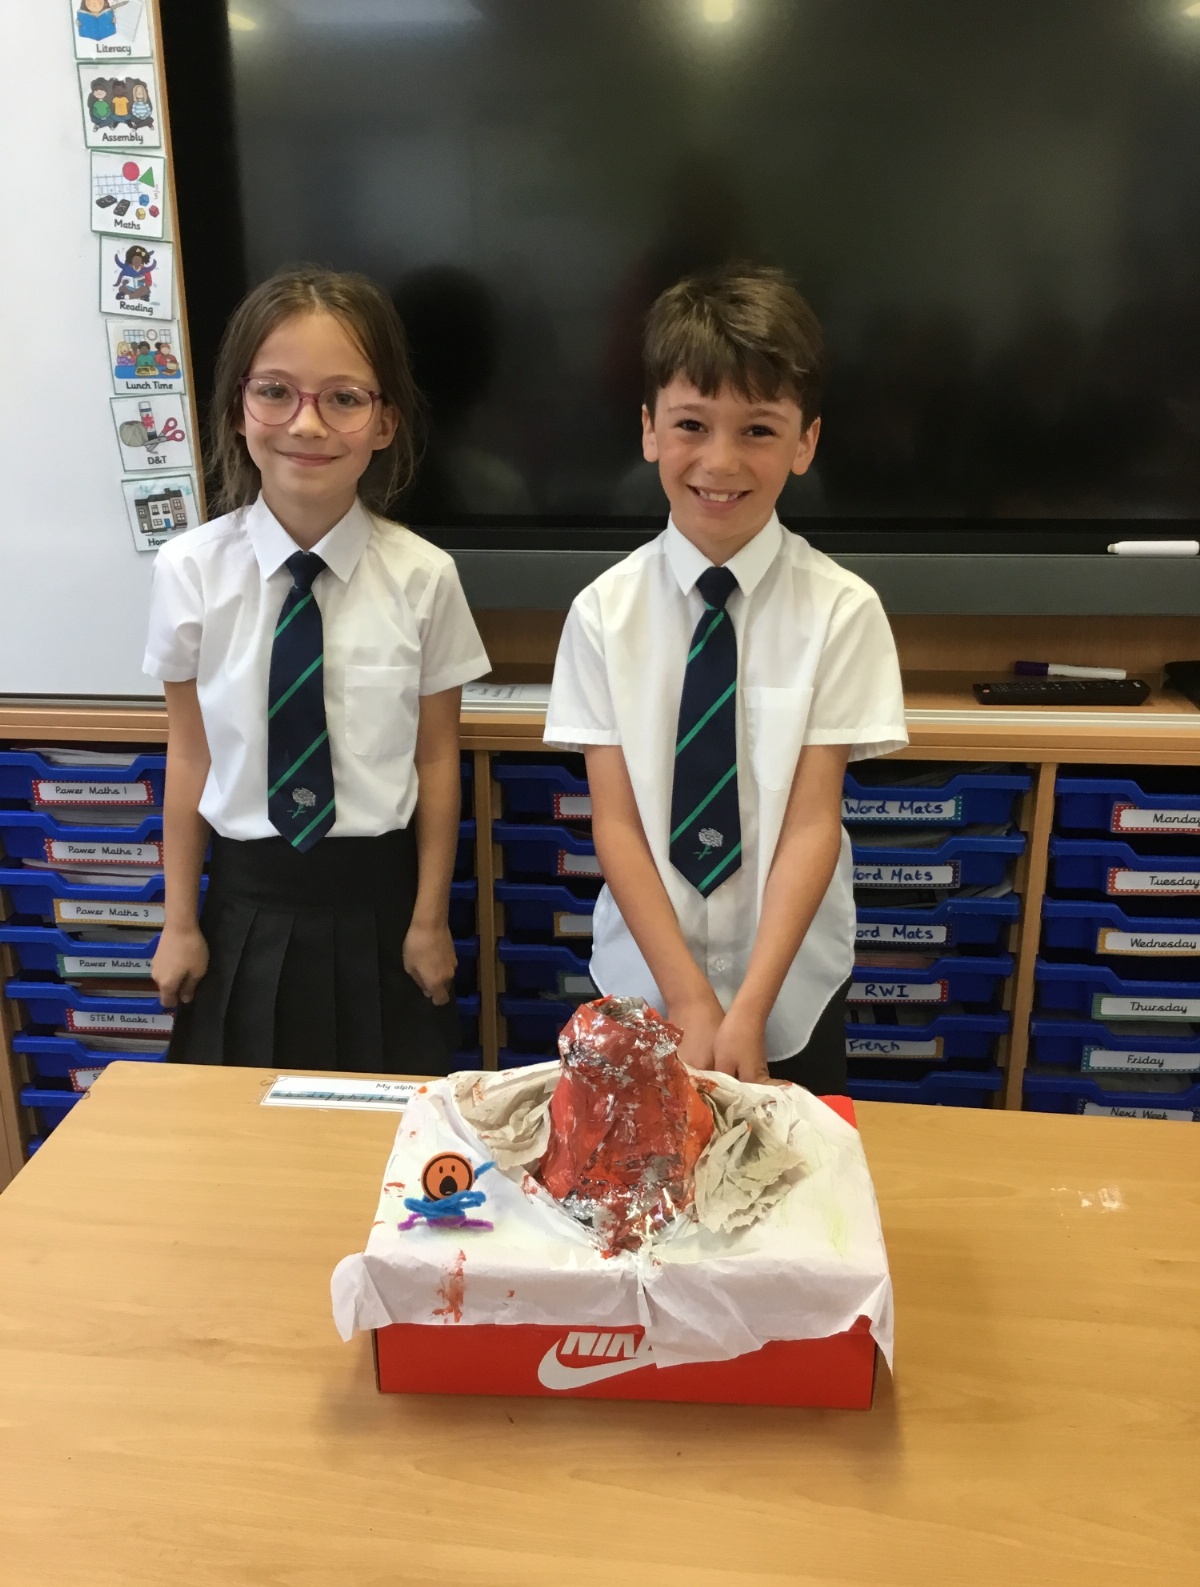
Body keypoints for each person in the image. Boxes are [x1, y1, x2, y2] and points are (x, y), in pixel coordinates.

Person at [544, 265, 907, 1092]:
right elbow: (616, 823)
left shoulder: (842, 611)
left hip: (790, 990)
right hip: (643, 981)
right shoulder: (602, 615)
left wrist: (747, 1009)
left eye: (758, 430)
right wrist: (687, 997)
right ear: (649, 430)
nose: (720, 460)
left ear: (805, 443)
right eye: (691, 424)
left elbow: (812, 823)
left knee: (787, 1168)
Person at [144, 267, 490, 1073]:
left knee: (385, 1132)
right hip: (242, 907)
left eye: (343, 398)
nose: (306, 423)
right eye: (275, 392)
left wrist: (430, 920)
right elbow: (189, 756)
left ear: (385, 421)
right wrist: (179, 922)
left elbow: (436, 760)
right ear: (238, 409)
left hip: (383, 912)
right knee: (241, 1132)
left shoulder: (424, 577)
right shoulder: (189, 571)